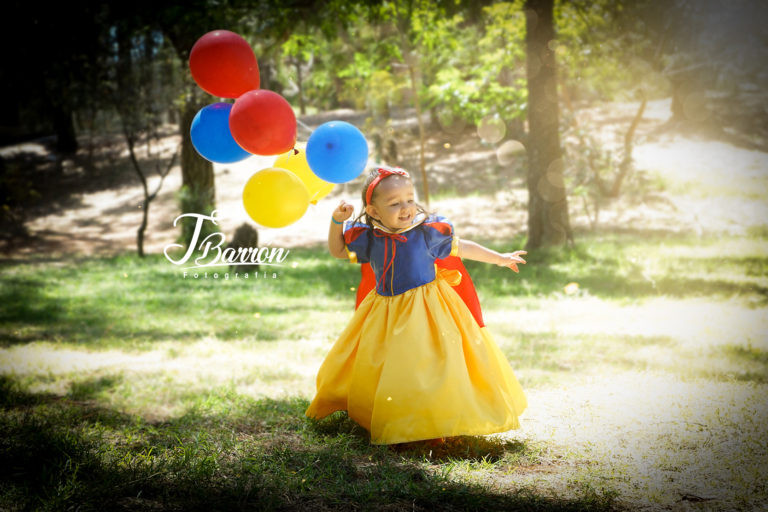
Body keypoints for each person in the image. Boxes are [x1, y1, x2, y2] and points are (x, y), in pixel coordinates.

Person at [305, 166, 528, 446]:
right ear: (373, 211)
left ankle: (435, 420)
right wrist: (337, 222)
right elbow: (338, 250)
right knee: (390, 364)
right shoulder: (370, 237)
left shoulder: (426, 233)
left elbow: (463, 247)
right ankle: (395, 413)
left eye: (409, 199)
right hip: (384, 309)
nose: (406, 208)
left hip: (428, 308)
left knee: (430, 362)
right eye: (395, 203)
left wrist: (500, 258)